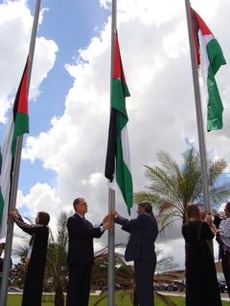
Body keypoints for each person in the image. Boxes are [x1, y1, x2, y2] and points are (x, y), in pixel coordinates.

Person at [111, 201, 158, 306]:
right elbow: (133, 228)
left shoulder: (144, 217)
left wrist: (117, 217)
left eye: (139, 208)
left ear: (145, 208)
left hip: (143, 258)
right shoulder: (150, 220)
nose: (137, 211)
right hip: (147, 258)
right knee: (145, 288)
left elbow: (130, 223)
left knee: (144, 288)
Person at [66, 197, 110, 306]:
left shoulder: (88, 222)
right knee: (75, 290)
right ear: (77, 206)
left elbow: (96, 233)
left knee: (84, 291)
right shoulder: (72, 220)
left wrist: (102, 224)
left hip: (87, 261)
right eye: (84, 204)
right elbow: (85, 232)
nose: (87, 206)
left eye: (86, 204)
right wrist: (102, 227)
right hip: (76, 260)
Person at [182, 204, 222, 306]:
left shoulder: (184, 227)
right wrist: (208, 223)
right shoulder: (202, 225)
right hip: (204, 256)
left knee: (194, 284)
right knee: (207, 282)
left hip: (191, 258)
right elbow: (211, 236)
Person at [11, 209, 50, 306]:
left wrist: (16, 216)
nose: (36, 218)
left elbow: (26, 227)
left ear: (42, 219)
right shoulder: (40, 230)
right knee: (30, 288)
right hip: (36, 265)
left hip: (36, 266)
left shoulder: (42, 229)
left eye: (38, 216)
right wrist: (18, 215)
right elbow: (28, 227)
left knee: (32, 288)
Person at [217, 201, 230, 297]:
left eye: (225, 210)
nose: (224, 212)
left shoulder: (227, 222)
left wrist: (214, 223)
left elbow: (221, 234)